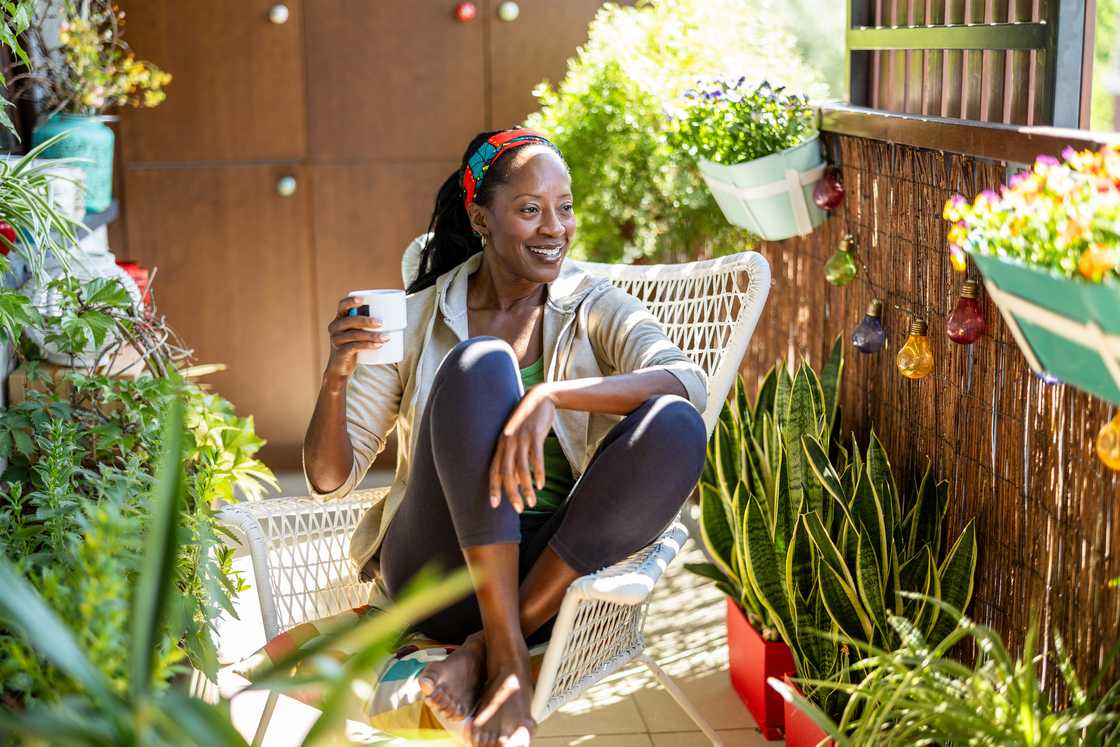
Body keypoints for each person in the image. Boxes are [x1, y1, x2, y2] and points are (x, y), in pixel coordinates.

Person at [303, 128, 708, 747]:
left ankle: (485, 649)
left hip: (546, 577)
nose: (555, 228)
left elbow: (687, 381)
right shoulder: (417, 319)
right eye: (529, 209)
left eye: (564, 207)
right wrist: (336, 376)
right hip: (438, 573)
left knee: (675, 421)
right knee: (480, 365)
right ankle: (511, 661)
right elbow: (330, 478)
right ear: (481, 219)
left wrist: (552, 394)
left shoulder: (592, 306)